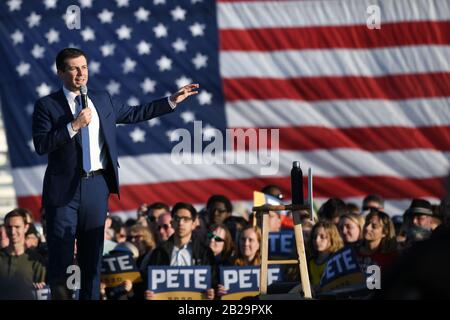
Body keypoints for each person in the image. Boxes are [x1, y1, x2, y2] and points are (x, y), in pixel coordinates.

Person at [31, 47, 198, 300]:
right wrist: (74, 125)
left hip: (96, 186)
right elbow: (42, 145)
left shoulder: (102, 98)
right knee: (62, 259)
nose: (81, 73)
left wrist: (171, 101)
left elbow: (134, 113)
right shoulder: (47, 105)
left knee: (92, 259)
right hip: (64, 192)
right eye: (74, 68)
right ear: (61, 72)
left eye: (84, 67)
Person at [146, 202, 216, 300]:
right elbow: (148, 283)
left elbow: (214, 283)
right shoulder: (159, 252)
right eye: (177, 219)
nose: (180, 223)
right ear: (172, 222)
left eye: (186, 219)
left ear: (194, 223)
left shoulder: (205, 252)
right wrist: (148, 294)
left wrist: (213, 293)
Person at [0, 209, 46, 291]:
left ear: (26, 227)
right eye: (9, 227)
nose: (13, 231)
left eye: (17, 227)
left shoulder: (36, 260)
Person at [307, 221, 344, 288]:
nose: (317, 240)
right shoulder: (310, 261)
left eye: (322, 237)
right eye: (314, 237)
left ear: (333, 238)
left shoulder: (337, 260)